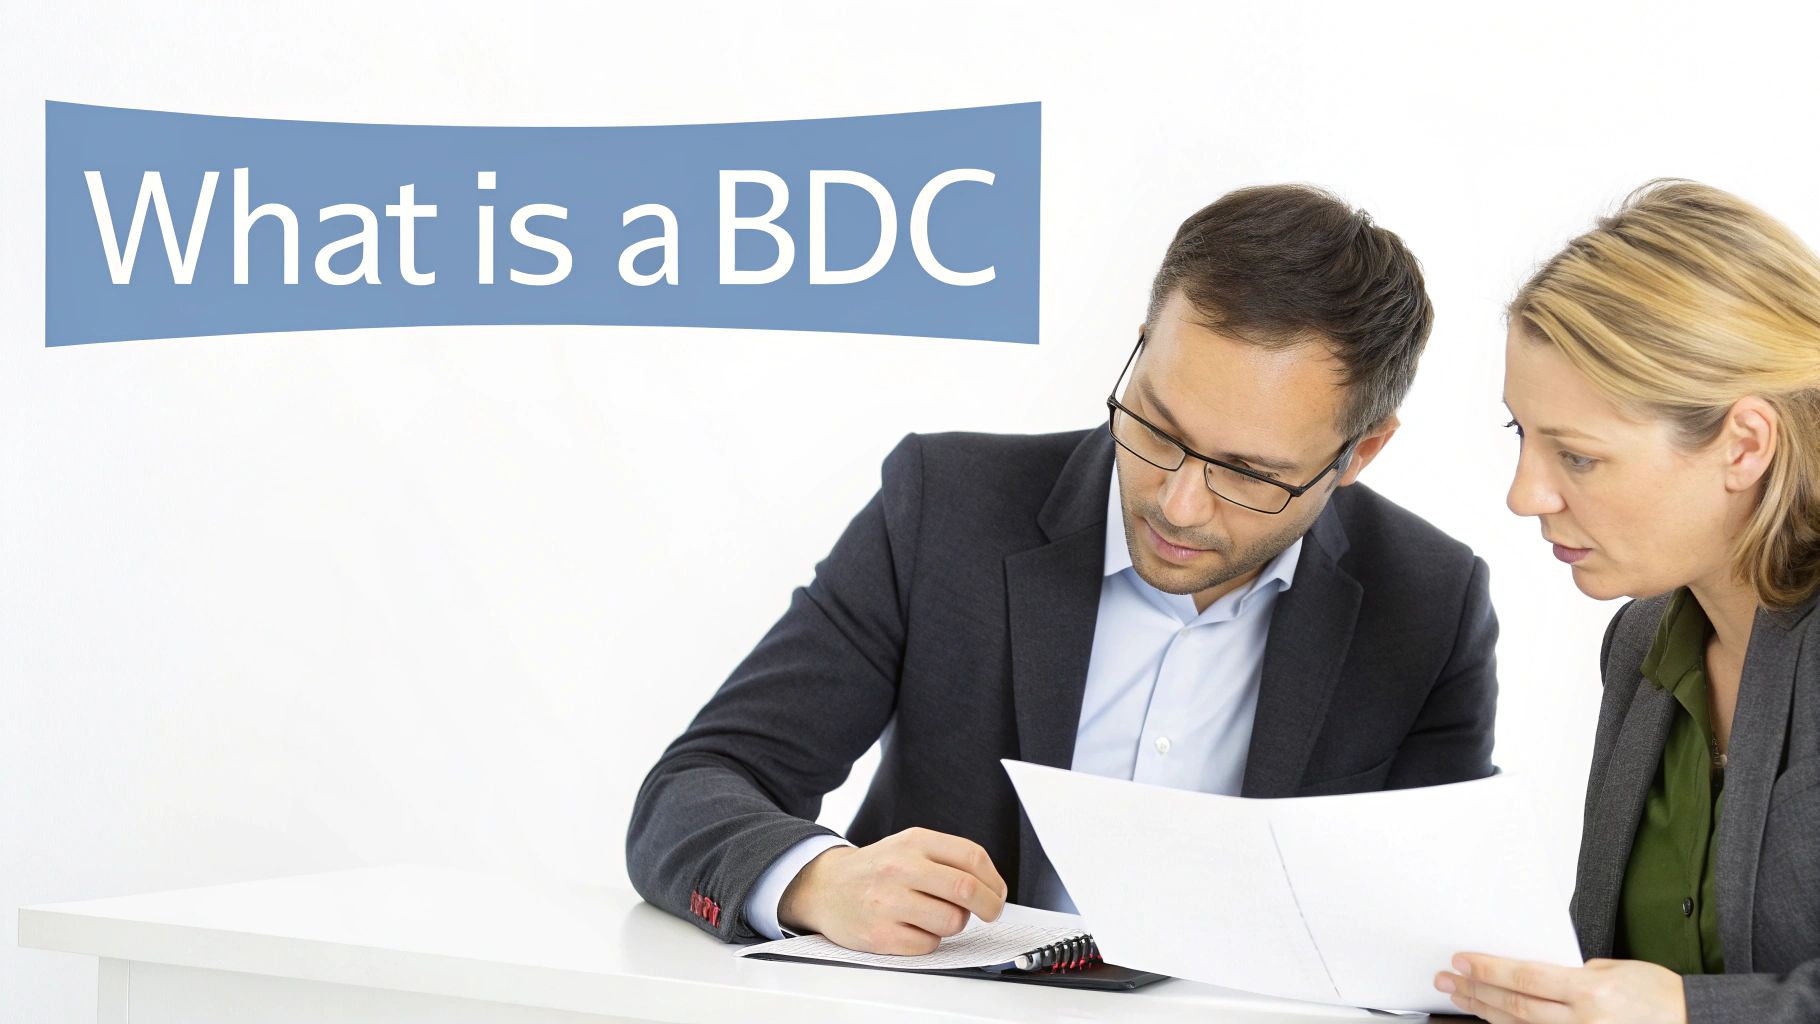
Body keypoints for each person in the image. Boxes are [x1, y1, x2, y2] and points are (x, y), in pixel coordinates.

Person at [627, 184, 1500, 956]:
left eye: (1249, 473)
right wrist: (817, 881)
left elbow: (1427, 925)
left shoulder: (1428, 605)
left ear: (1362, 452)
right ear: (1140, 346)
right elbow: (694, 791)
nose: (1179, 504)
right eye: (1157, 427)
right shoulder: (948, 507)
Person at [1436, 181, 1820, 1023]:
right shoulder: (1642, 644)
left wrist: (1693, 1012)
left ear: (1745, 444)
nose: (1524, 494)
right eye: (1522, 437)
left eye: (1576, 457)